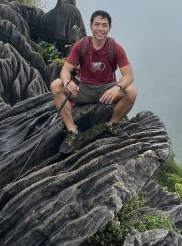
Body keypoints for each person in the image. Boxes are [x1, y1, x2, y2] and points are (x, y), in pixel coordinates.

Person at [50, 9, 137, 154]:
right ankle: (72, 131)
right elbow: (65, 70)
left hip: (107, 89)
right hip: (83, 88)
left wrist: (117, 87)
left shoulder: (115, 48)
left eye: (104, 25)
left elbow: (129, 75)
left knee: (131, 92)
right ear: (90, 26)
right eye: (97, 24)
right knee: (56, 85)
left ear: (109, 28)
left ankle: (112, 125)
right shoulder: (81, 45)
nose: (100, 29)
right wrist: (67, 82)